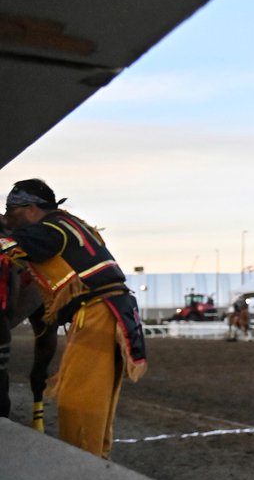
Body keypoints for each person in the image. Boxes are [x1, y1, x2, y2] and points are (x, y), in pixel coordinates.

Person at [0, 179, 146, 458]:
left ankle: (85, 466)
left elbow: (6, 246)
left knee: (78, 400)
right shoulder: (72, 224)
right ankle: (98, 459)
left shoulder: (48, 230)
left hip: (97, 313)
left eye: (12, 212)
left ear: (31, 208)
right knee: (96, 399)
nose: (10, 218)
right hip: (114, 310)